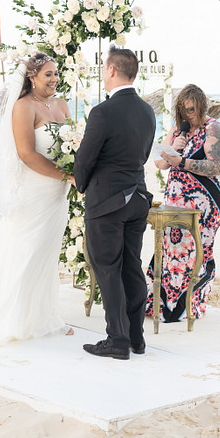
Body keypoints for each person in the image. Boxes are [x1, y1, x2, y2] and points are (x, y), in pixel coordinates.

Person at [0, 53, 73, 342]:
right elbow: (26, 154)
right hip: (33, 191)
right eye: (48, 74)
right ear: (32, 77)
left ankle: (43, 316)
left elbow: (76, 144)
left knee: (46, 255)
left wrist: (76, 168)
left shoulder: (62, 105)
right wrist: (65, 176)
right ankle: (11, 318)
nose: (54, 79)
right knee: (25, 252)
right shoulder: (23, 107)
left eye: (56, 73)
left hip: (57, 195)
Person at [74, 46, 156, 360]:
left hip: (107, 202)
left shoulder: (103, 112)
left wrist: (82, 184)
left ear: (111, 70)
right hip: (138, 197)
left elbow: (85, 158)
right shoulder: (147, 111)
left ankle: (117, 340)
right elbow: (143, 154)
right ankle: (137, 339)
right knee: (131, 267)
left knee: (108, 268)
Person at [152, 84, 220, 321]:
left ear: (202, 106)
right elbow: (160, 164)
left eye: (193, 109)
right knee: (171, 249)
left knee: (196, 250)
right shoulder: (178, 130)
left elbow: (218, 165)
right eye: (185, 110)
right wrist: (171, 152)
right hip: (176, 200)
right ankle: (165, 304)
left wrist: (182, 162)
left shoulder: (213, 128)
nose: (189, 114)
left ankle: (190, 305)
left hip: (206, 201)